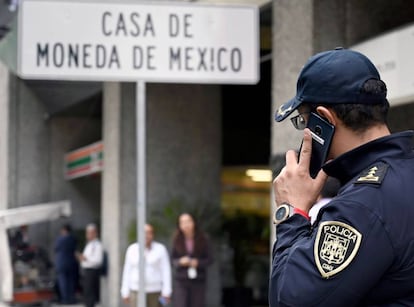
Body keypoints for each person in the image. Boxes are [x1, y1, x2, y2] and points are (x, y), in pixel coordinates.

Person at [270, 48, 414, 306]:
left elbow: (290, 300)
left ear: (323, 119)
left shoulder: (361, 205)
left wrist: (292, 213)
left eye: (304, 121)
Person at [121, 224, 172, 307]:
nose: (146, 235)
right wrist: (124, 291)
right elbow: (127, 271)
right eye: (144, 233)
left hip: (155, 291)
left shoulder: (160, 249)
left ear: (153, 235)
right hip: (136, 290)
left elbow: (166, 271)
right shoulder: (132, 249)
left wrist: (166, 291)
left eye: (149, 233)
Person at [171, 213, 213, 307]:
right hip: (181, 280)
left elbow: (210, 259)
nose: (186, 225)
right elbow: (172, 260)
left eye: (188, 221)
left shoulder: (203, 239)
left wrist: (198, 262)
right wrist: (180, 262)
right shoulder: (176, 239)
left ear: (194, 222)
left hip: (198, 279)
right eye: (183, 222)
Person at [76, 223, 103, 307]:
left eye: (89, 233)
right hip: (86, 271)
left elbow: (98, 260)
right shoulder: (89, 244)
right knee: (86, 293)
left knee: (90, 294)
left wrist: (86, 259)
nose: (87, 235)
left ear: (95, 233)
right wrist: (81, 259)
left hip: (93, 271)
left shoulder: (98, 245)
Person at [55, 224, 78, 304]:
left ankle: (65, 299)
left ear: (64, 230)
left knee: (63, 282)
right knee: (71, 281)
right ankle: (71, 298)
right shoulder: (73, 239)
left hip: (61, 263)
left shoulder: (59, 239)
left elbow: (56, 249)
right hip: (71, 263)